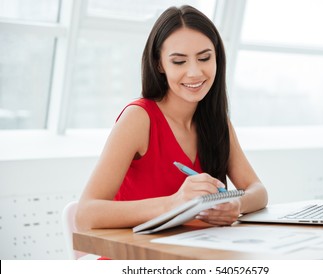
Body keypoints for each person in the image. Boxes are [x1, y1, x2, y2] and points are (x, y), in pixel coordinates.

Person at [76, 5, 268, 231]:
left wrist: (236, 204)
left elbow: (258, 190)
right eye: (179, 62)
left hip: (194, 254)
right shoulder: (138, 118)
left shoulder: (216, 122)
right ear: (159, 64)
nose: (195, 72)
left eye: (205, 58)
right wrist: (174, 203)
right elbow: (85, 215)